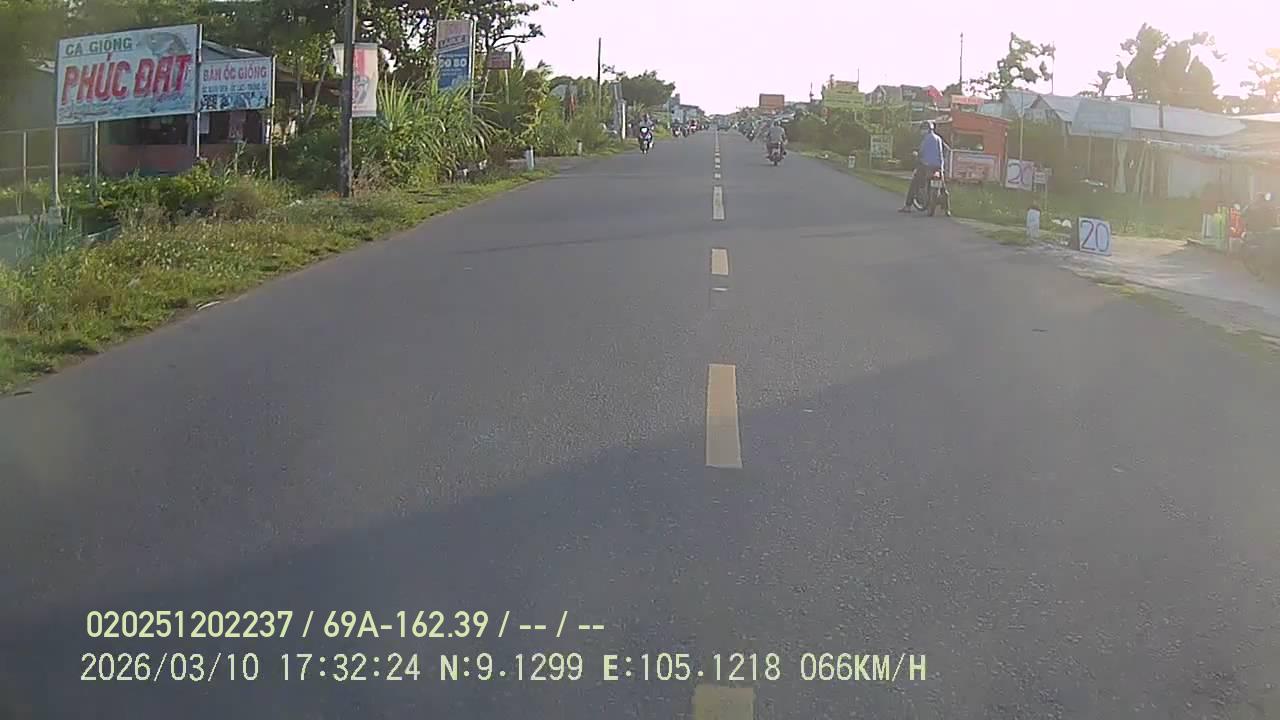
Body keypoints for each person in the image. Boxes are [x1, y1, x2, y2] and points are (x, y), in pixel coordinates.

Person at [901, 121, 945, 212]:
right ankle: (945, 208)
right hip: (938, 166)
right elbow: (941, 153)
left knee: (915, 182)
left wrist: (917, 156)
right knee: (942, 186)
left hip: (926, 165)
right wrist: (941, 167)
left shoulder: (926, 139)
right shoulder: (938, 138)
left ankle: (907, 206)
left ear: (925, 130)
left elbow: (921, 152)